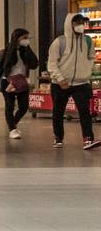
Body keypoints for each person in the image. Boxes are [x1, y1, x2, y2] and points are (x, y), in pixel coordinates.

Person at [46, 13, 98, 150]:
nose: (80, 25)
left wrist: (87, 69)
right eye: (77, 23)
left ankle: (88, 139)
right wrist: (60, 78)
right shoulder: (59, 42)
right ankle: (58, 137)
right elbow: (52, 63)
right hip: (60, 84)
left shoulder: (87, 40)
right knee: (58, 111)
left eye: (82, 22)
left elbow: (92, 57)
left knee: (84, 111)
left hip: (81, 83)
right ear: (70, 24)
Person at [0, 28, 39, 140]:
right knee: (10, 106)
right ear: (17, 39)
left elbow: (34, 64)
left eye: (27, 38)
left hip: (22, 82)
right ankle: (12, 129)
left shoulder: (26, 50)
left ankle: (12, 124)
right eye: (24, 38)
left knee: (24, 106)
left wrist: (28, 50)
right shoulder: (6, 52)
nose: (27, 40)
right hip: (8, 82)